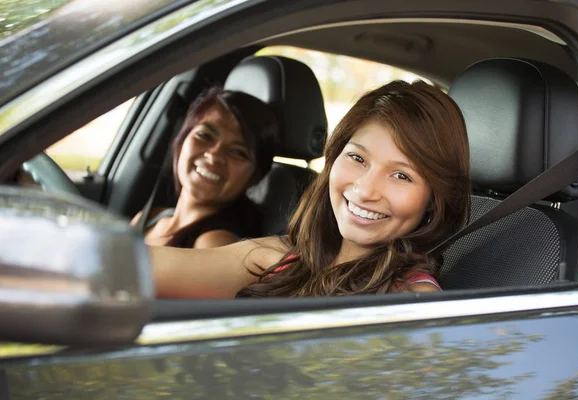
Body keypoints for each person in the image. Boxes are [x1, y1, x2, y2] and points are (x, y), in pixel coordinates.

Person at [151, 80, 471, 298]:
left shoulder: (414, 302)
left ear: (433, 200)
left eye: (402, 176)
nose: (365, 190)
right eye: (357, 157)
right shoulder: (279, 258)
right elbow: (140, 269)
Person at [132, 86, 279, 249]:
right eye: (204, 136)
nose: (214, 156)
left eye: (238, 152)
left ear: (254, 176)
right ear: (182, 141)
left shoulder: (215, 244)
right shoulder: (151, 217)